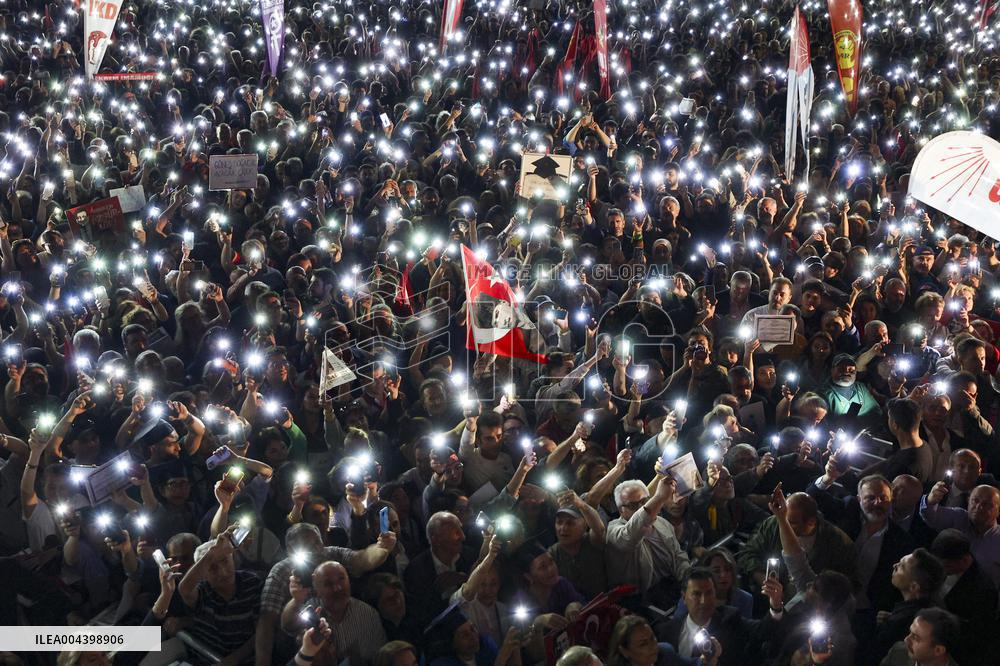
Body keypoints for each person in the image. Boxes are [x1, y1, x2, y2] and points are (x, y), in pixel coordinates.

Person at [606, 478, 691, 606]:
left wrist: (689, 580)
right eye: (633, 505)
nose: (641, 507)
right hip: (639, 604)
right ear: (621, 510)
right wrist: (659, 498)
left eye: (645, 501)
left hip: (673, 591)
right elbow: (630, 535)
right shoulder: (614, 529)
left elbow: (678, 557)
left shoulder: (662, 523)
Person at [929, 529, 999, 666]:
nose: (941, 569)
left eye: (946, 565)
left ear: (965, 560)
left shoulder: (984, 590)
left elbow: (977, 634)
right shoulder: (940, 567)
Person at [607, 615, 720, 666]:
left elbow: (693, 664)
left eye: (652, 638)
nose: (653, 645)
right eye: (643, 644)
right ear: (625, 651)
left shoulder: (664, 652)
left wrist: (707, 658)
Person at [879, 608, 962, 666]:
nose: (906, 640)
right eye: (910, 632)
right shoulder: (898, 652)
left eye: (915, 637)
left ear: (938, 650)